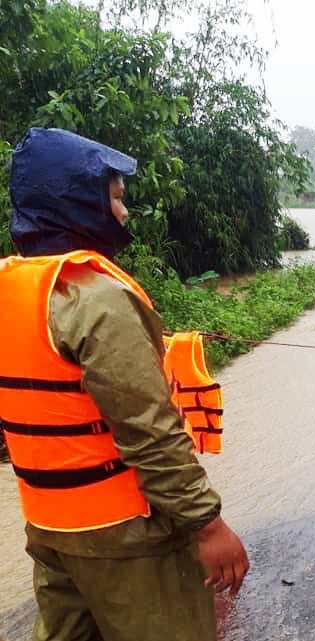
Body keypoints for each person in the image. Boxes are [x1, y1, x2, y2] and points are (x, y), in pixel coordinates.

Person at [0, 128, 248, 641]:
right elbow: (150, 431)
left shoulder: (11, 285)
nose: (124, 212)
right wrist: (207, 524)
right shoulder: (94, 297)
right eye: (115, 197)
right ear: (78, 202)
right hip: (128, 533)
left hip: (49, 525)